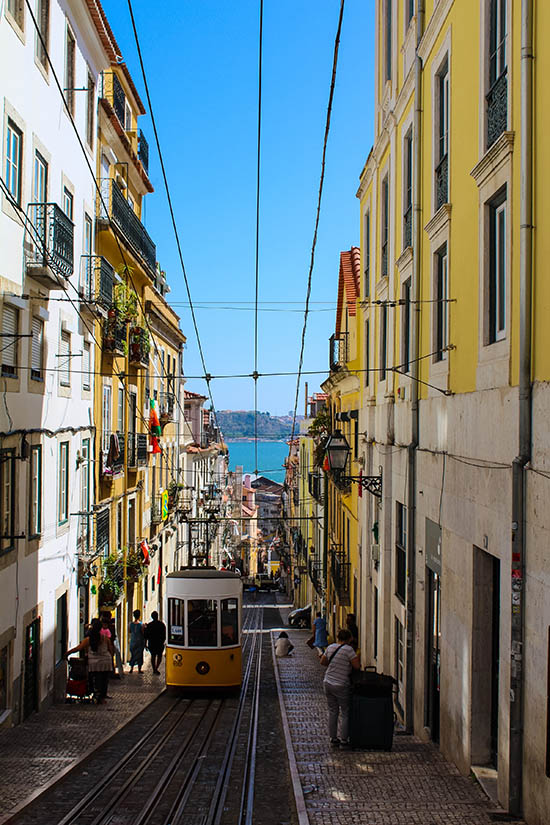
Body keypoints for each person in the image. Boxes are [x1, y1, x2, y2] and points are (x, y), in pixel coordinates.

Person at [320, 628, 360, 747]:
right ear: (348, 639)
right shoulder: (349, 650)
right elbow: (357, 666)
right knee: (345, 712)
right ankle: (343, 739)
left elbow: (323, 662)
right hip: (341, 684)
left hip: (327, 682)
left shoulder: (330, 647)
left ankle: (333, 738)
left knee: (333, 711)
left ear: (338, 638)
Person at [66, 618, 114, 704]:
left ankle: (95, 694)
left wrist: (67, 653)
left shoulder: (88, 640)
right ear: (100, 628)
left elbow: (78, 648)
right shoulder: (105, 638)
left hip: (94, 663)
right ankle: (102, 698)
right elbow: (110, 650)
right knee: (104, 680)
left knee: (94, 679)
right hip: (106, 662)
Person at [129, 609, 145, 673]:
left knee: (133, 655)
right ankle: (139, 669)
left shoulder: (130, 624)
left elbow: (129, 631)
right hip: (139, 642)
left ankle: (131, 668)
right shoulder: (141, 625)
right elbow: (143, 633)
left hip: (133, 641)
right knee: (139, 656)